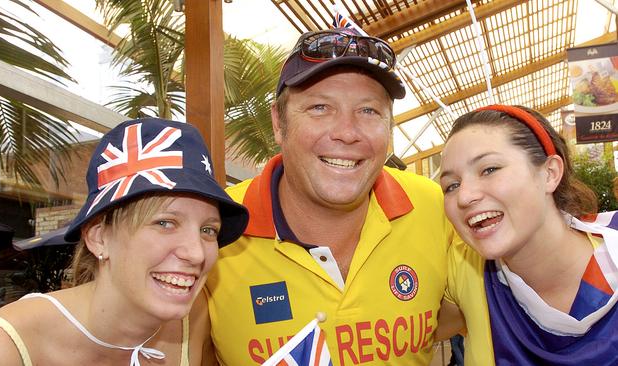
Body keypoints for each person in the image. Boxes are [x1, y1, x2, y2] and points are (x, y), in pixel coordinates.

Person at [191, 28, 457, 365]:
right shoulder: (219, 228)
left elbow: (470, 310)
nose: (347, 132)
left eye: (369, 111)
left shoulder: (434, 207)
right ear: (278, 122)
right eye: (319, 107)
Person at [0, 118, 249, 366]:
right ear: (98, 237)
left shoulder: (193, 321)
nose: (196, 253)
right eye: (164, 223)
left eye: (208, 230)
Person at [437, 105, 618, 365]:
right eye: (451, 185)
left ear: (550, 173)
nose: (464, 196)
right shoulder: (466, 269)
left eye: (489, 169)